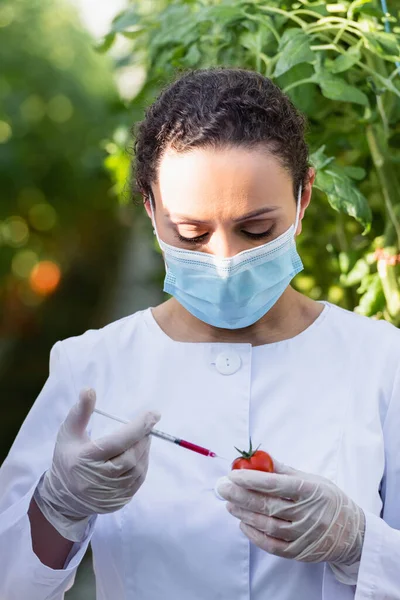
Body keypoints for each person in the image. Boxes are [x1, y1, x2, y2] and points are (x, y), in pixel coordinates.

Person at [0, 67, 399, 600]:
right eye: (191, 233)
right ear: (151, 209)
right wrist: (58, 505)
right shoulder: (92, 365)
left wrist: (361, 547)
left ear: (303, 197)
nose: (226, 260)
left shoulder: (380, 360)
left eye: (256, 230)